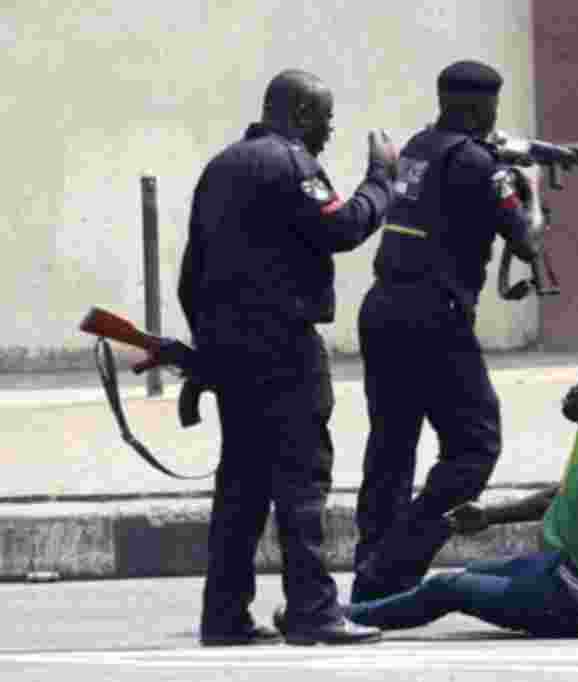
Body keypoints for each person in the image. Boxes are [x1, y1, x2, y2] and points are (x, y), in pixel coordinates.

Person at [177, 68, 398, 646]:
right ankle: (313, 612)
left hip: (231, 349)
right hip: (283, 348)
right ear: (300, 114)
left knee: (241, 486)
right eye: (324, 119)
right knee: (301, 482)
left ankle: (223, 617)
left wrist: (209, 350)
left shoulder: (220, 167)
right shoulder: (290, 163)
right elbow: (344, 227)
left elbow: (190, 274)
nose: (328, 132)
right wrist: (382, 178)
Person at [347, 60, 550, 603]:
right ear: (482, 107)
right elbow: (528, 242)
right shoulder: (481, 165)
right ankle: (393, 567)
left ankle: (371, 565)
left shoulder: (420, 146)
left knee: (391, 447)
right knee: (474, 446)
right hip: (434, 315)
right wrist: (532, 191)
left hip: (384, 307)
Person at [281, 363, 578, 638]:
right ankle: (339, 615)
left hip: (575, 600)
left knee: (447, 588)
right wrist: (488, 516)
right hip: (559, 567)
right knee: (470, 575)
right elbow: (560, 497)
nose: (575, 392)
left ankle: (337, 616)